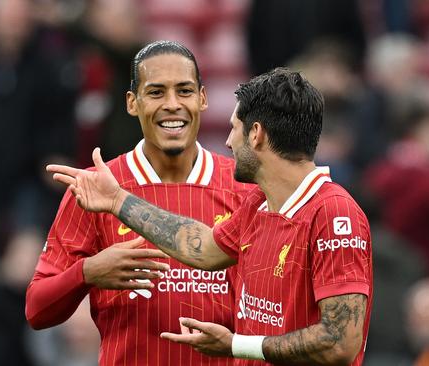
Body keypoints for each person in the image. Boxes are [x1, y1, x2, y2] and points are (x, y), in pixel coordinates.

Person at [49, 68, 373, 365]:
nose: (229, 142)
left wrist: (238, 345)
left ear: (256, 134)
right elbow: (202, 247)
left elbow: (339, 342)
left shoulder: (333, 214)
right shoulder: (258, 205)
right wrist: (117, 199)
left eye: (234, 129)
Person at [25, 40, 253, 365]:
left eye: (184, 91)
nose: (172, 104)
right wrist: (88, 272)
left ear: (203, 98)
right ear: (133, 102)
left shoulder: (243, 188)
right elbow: (37, 309)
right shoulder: (96, 189)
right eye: (157, 92)